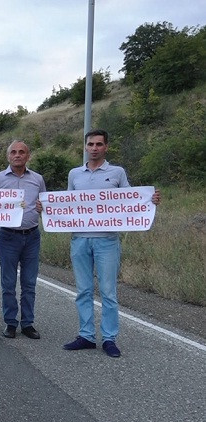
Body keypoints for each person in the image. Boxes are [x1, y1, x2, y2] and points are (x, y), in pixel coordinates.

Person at [62, 129, 160, 358]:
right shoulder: (74, 174)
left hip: (107, 240)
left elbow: (131, 199)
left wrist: (150, 200)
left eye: (98, 144)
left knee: (108, 291)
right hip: (80, 239)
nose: (94, 148)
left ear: (106, 147)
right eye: (90, 144)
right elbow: (65, 204)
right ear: (85, 147)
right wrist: (46, 209)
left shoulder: (117, 172)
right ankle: (86, 335)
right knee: (83, 290)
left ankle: (109, 338)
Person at [0, 141, 46, 340]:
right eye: (13, 152)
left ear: (28, 156)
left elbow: (44, 203)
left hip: (32, 236)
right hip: (8, 237)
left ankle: (28, 323)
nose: (17, 155)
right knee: (8, 283)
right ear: (8, 156)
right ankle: (10, 323)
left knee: (29, 283)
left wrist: (42, 209)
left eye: (22, 152)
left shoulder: (37, 179)